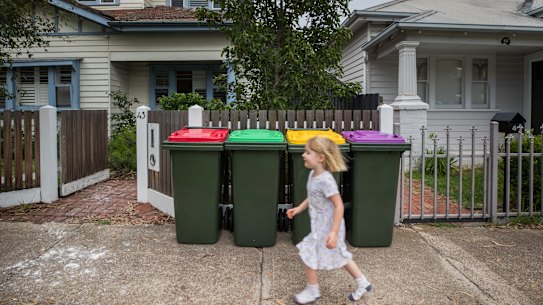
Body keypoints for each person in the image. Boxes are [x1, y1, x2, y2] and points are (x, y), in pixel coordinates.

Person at [286, 136, 372, 304]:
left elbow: (339, 206)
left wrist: (333, 232)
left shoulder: (326, 180)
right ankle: (363, 282)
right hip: (320, 226)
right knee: (341, 256)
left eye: (308, 152)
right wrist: (298, 208)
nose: (304, 155)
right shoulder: (313, 174)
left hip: (330, 227)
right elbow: (311, 197)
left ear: (320, 158)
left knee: (307, 253)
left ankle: (313, 290)